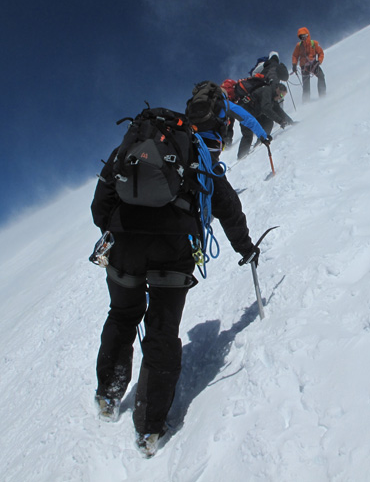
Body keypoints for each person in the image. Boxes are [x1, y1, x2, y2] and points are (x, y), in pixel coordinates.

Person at [90, 115, 261, 456]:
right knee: (162, 330)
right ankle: (150, 427)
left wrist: (120, 230)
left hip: (124, 243)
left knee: (122, 314)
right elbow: (225, 204)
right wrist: (245, 247)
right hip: (174, 245)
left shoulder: (125, 150)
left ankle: (109, 394)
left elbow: (100, 206)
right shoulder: (195, 151)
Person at [237, 81, 295, 160]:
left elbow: (279, 111)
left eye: (283, 97)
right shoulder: (267, 91)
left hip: (254, 113)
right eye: (281, 95)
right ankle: (241, 157)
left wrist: (291, 122)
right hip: (245, 113)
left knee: (268, 122)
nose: (280, 98)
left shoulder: (273, 97)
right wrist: (280, 121)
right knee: (248, 135)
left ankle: (260, 142)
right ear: (277, 90)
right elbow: (265, 108)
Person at [291, 27, 326, 102]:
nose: (303, 38)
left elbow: (321, 53)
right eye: (301, 37)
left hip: (314, 64)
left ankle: (322, 95)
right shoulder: (299, 46)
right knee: (306, 85)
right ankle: (306, 101)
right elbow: (295, 56)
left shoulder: (314, 44)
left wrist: (319, 61)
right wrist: (294, 65)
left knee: (321, 76)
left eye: (304, 36)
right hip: (304, 67)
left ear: (308, 35)